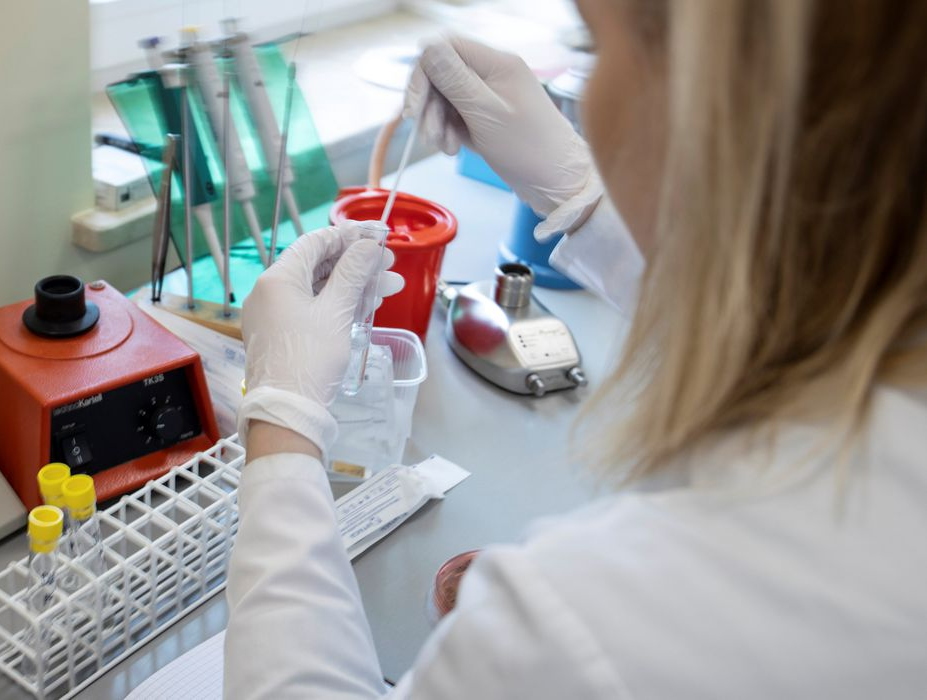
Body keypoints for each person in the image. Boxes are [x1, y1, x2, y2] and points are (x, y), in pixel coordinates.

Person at [225, 0, 927, 697]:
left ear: (712, 105)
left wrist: (280, 417)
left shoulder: (588, 629)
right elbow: (789, 308)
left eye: (590, 45)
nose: (584, 94)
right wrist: (579, 192)